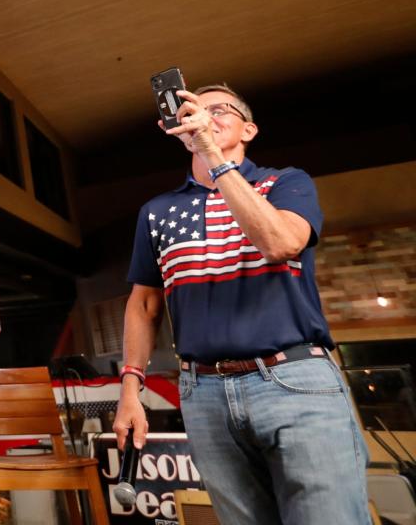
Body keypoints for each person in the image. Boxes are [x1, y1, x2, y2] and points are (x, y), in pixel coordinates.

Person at [113, 84, 370, 525]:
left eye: (218, 110)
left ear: (248, 129)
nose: (204, 116)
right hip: (203, 392)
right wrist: (130, 391)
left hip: (294, 379)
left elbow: (281, 242)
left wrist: (213, 154)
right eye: (195, 109)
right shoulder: (157, 211)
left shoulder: (285, 182)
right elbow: (144, 306)